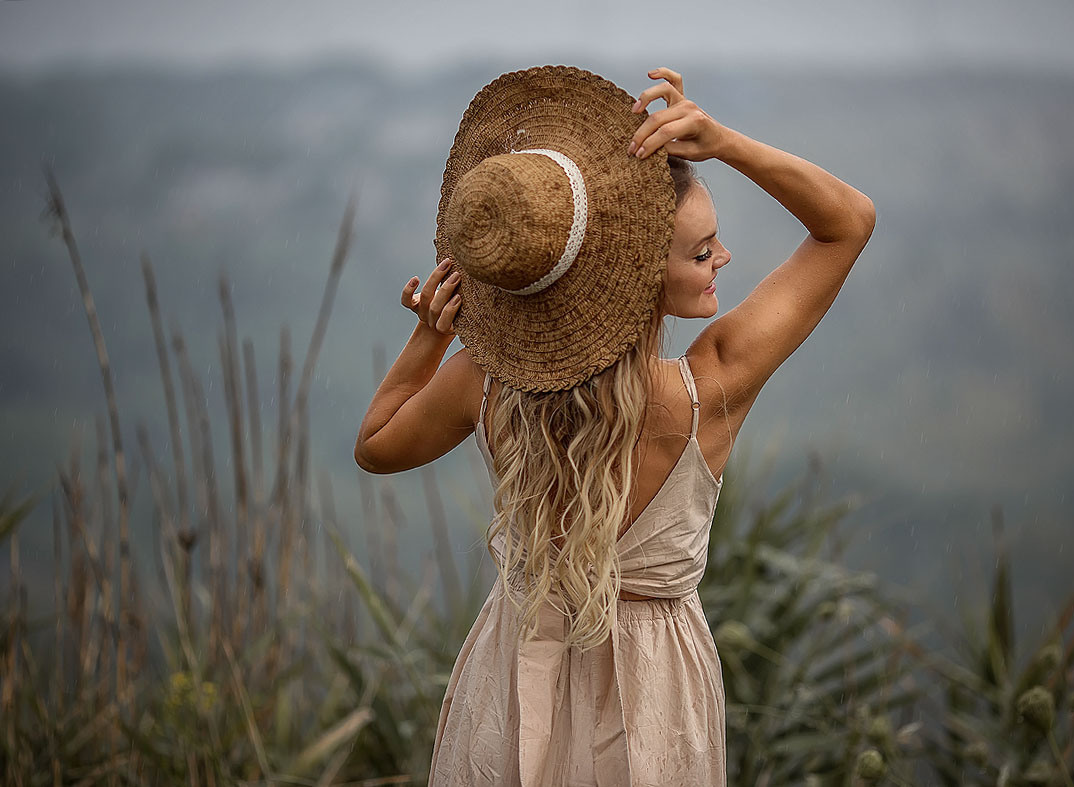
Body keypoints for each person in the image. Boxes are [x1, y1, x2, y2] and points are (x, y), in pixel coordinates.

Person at [354, 65, 874, 787]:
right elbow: (847, 222)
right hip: (653, 695)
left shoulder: (487, 381)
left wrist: (429, 339)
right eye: (700, 252)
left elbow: (376, 446)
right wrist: (721, 142)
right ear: (633, 276)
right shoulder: (709, 388)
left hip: (511, 677)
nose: (721, 258)